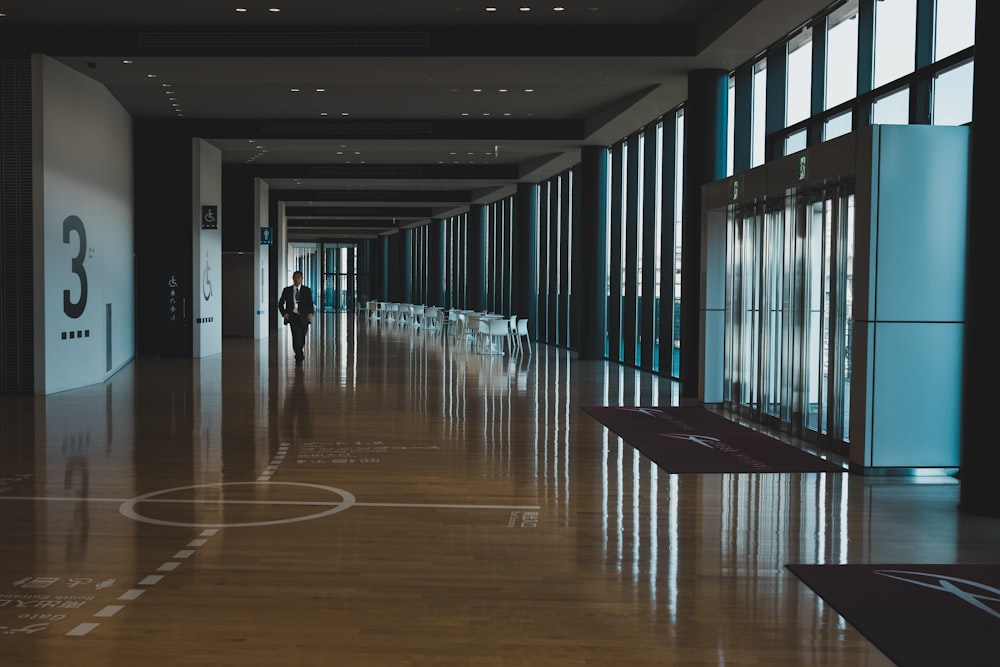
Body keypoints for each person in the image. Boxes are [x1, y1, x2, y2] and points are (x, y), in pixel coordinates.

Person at [277, 271, 314, 366]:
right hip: (293, 317)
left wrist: (311, 313)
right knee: (296, 335)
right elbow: (280, 303)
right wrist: (284, 313)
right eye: (295, 277)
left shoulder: (306, 290)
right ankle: (299, 355)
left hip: (304, 317)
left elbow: (310, 303)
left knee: (302, 336)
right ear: (292, 278)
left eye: (298, 277)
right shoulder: (287, 290)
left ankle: (299, 351)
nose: (296, 279)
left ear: (302, 278)